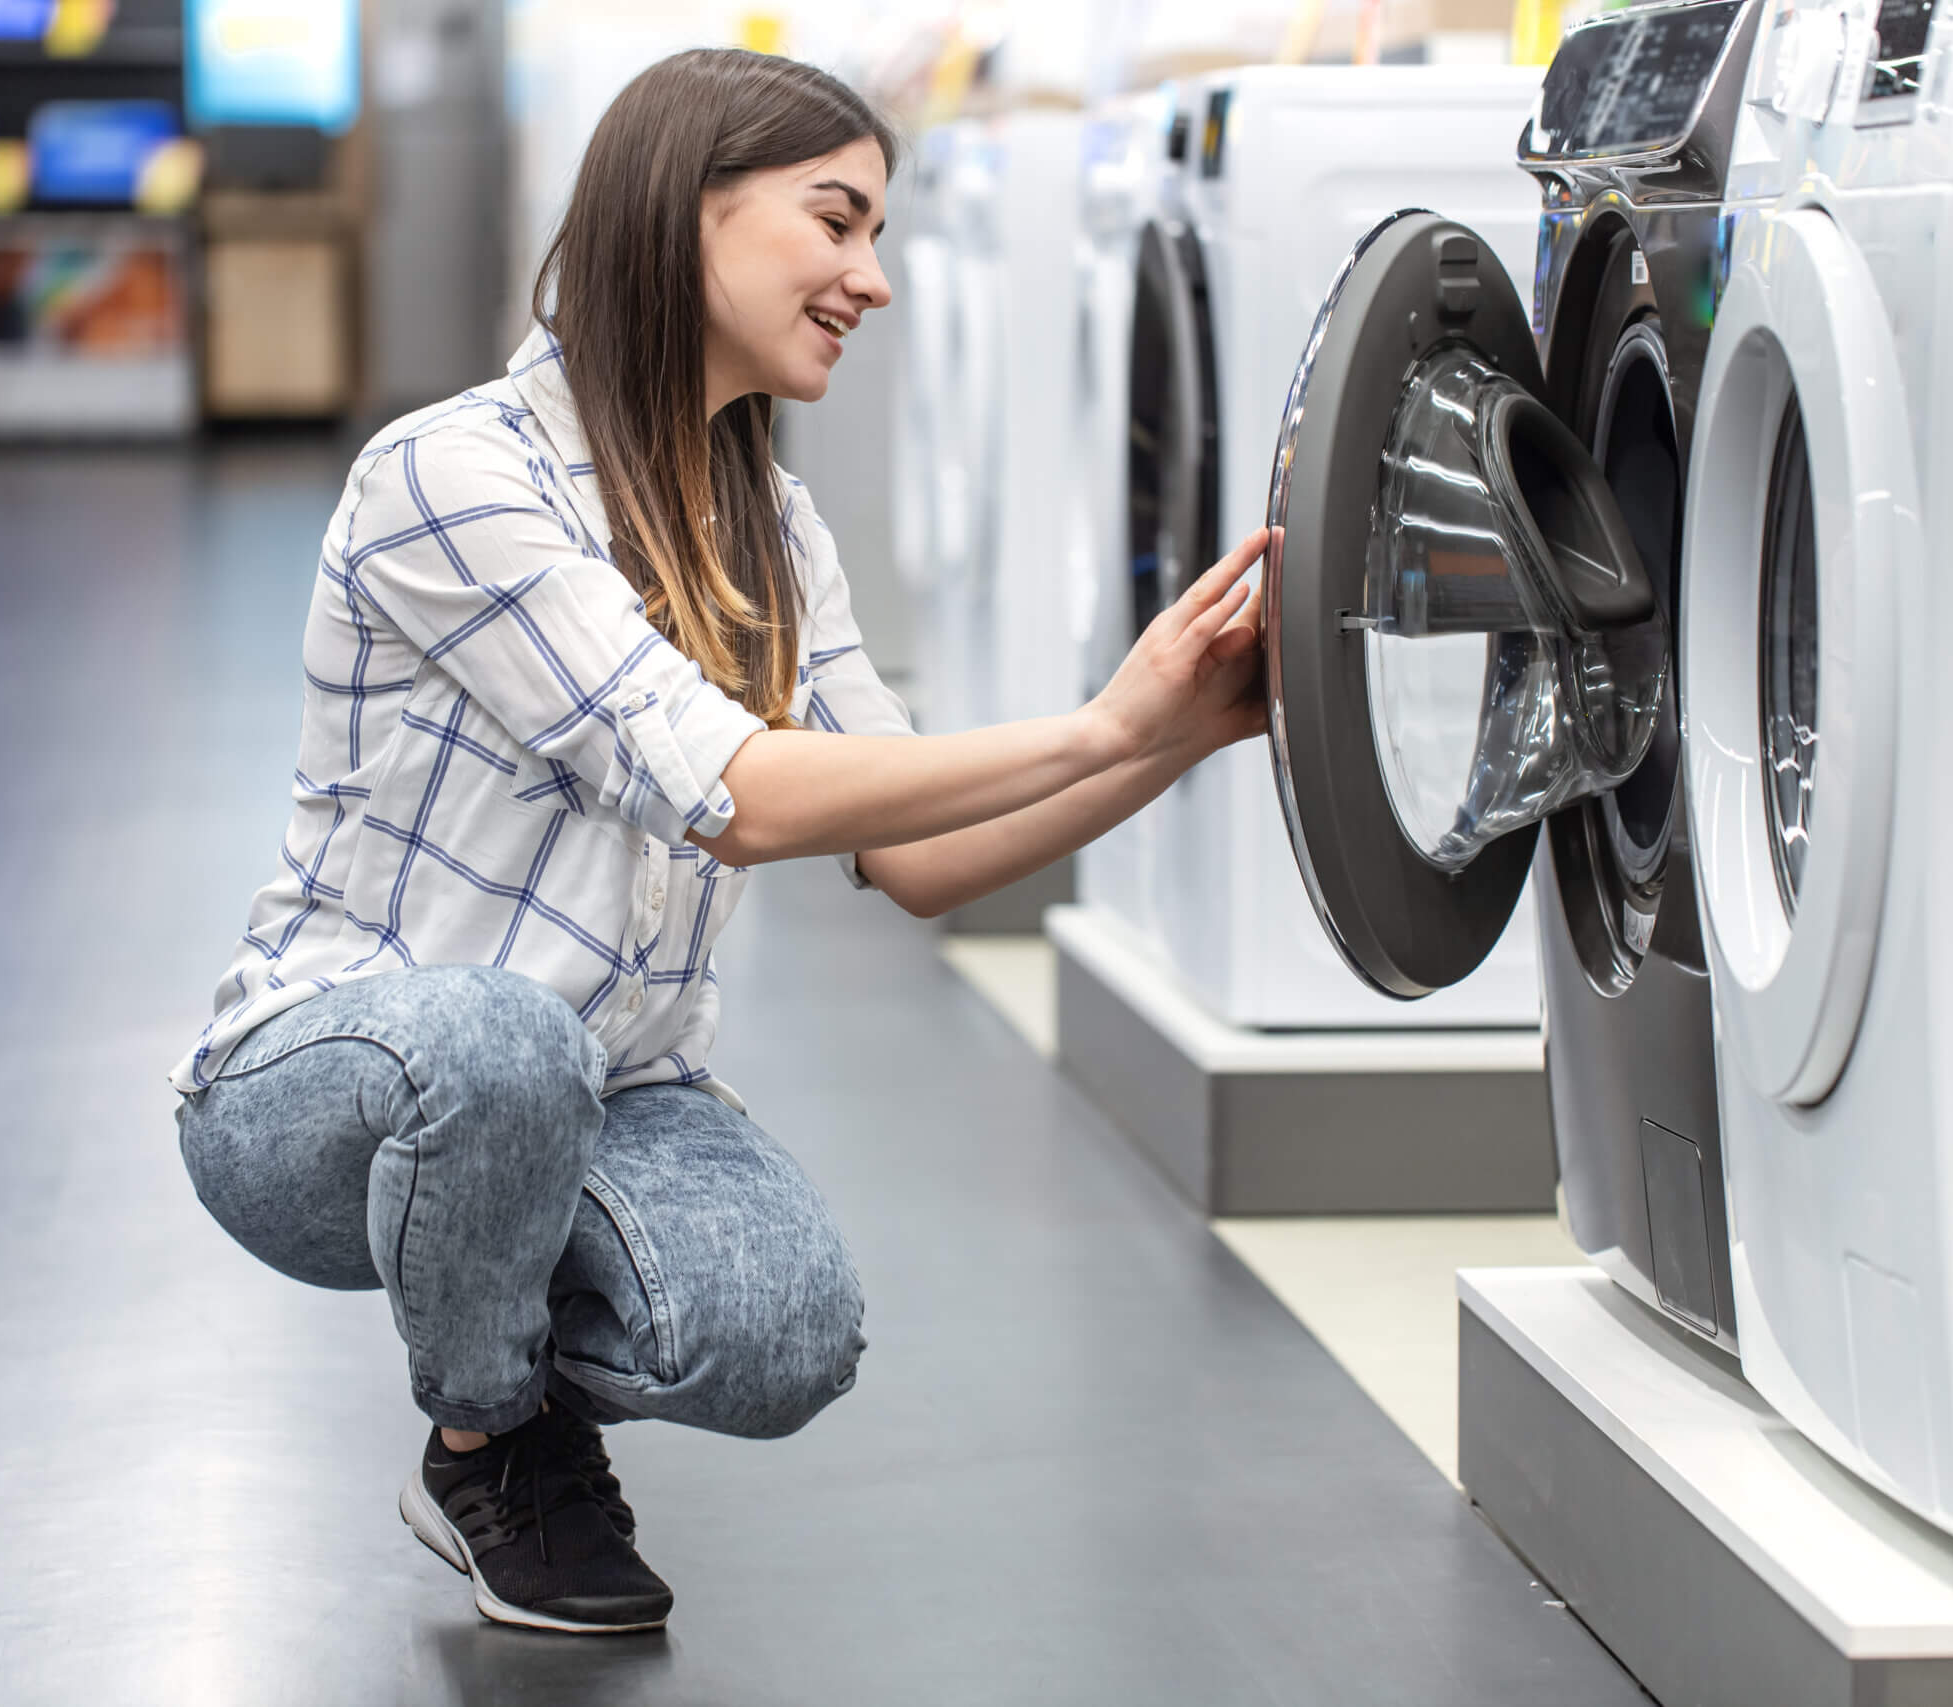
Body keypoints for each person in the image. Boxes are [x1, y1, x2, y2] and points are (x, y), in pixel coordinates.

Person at [169, 47, 1270, 1637]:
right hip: (327, 1093)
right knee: (500, 1043)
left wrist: (1183, 735)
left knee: (781, 1332)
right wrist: (1101, 721)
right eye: (837, 222)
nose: (874, 279)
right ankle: (487, 1442)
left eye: (882, 235)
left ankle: (502, 1351)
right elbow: (737, 795)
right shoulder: (456, 473)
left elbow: (923, 855)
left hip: (610, 1092)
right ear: (689, 212)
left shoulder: (776, 526)